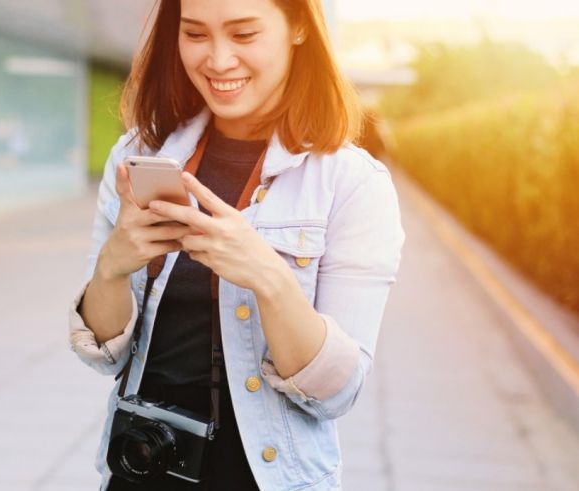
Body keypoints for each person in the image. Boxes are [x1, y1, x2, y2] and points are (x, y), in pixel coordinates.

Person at [68, 0, 405, 489]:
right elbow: (104, 356)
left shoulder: (352, 183)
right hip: (141, 465)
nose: (218, 60)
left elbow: (336, 392)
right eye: (196, 34)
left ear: (298, 28)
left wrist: (268, 277)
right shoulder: (138, 155)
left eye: (244, 35)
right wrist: (112, 268)